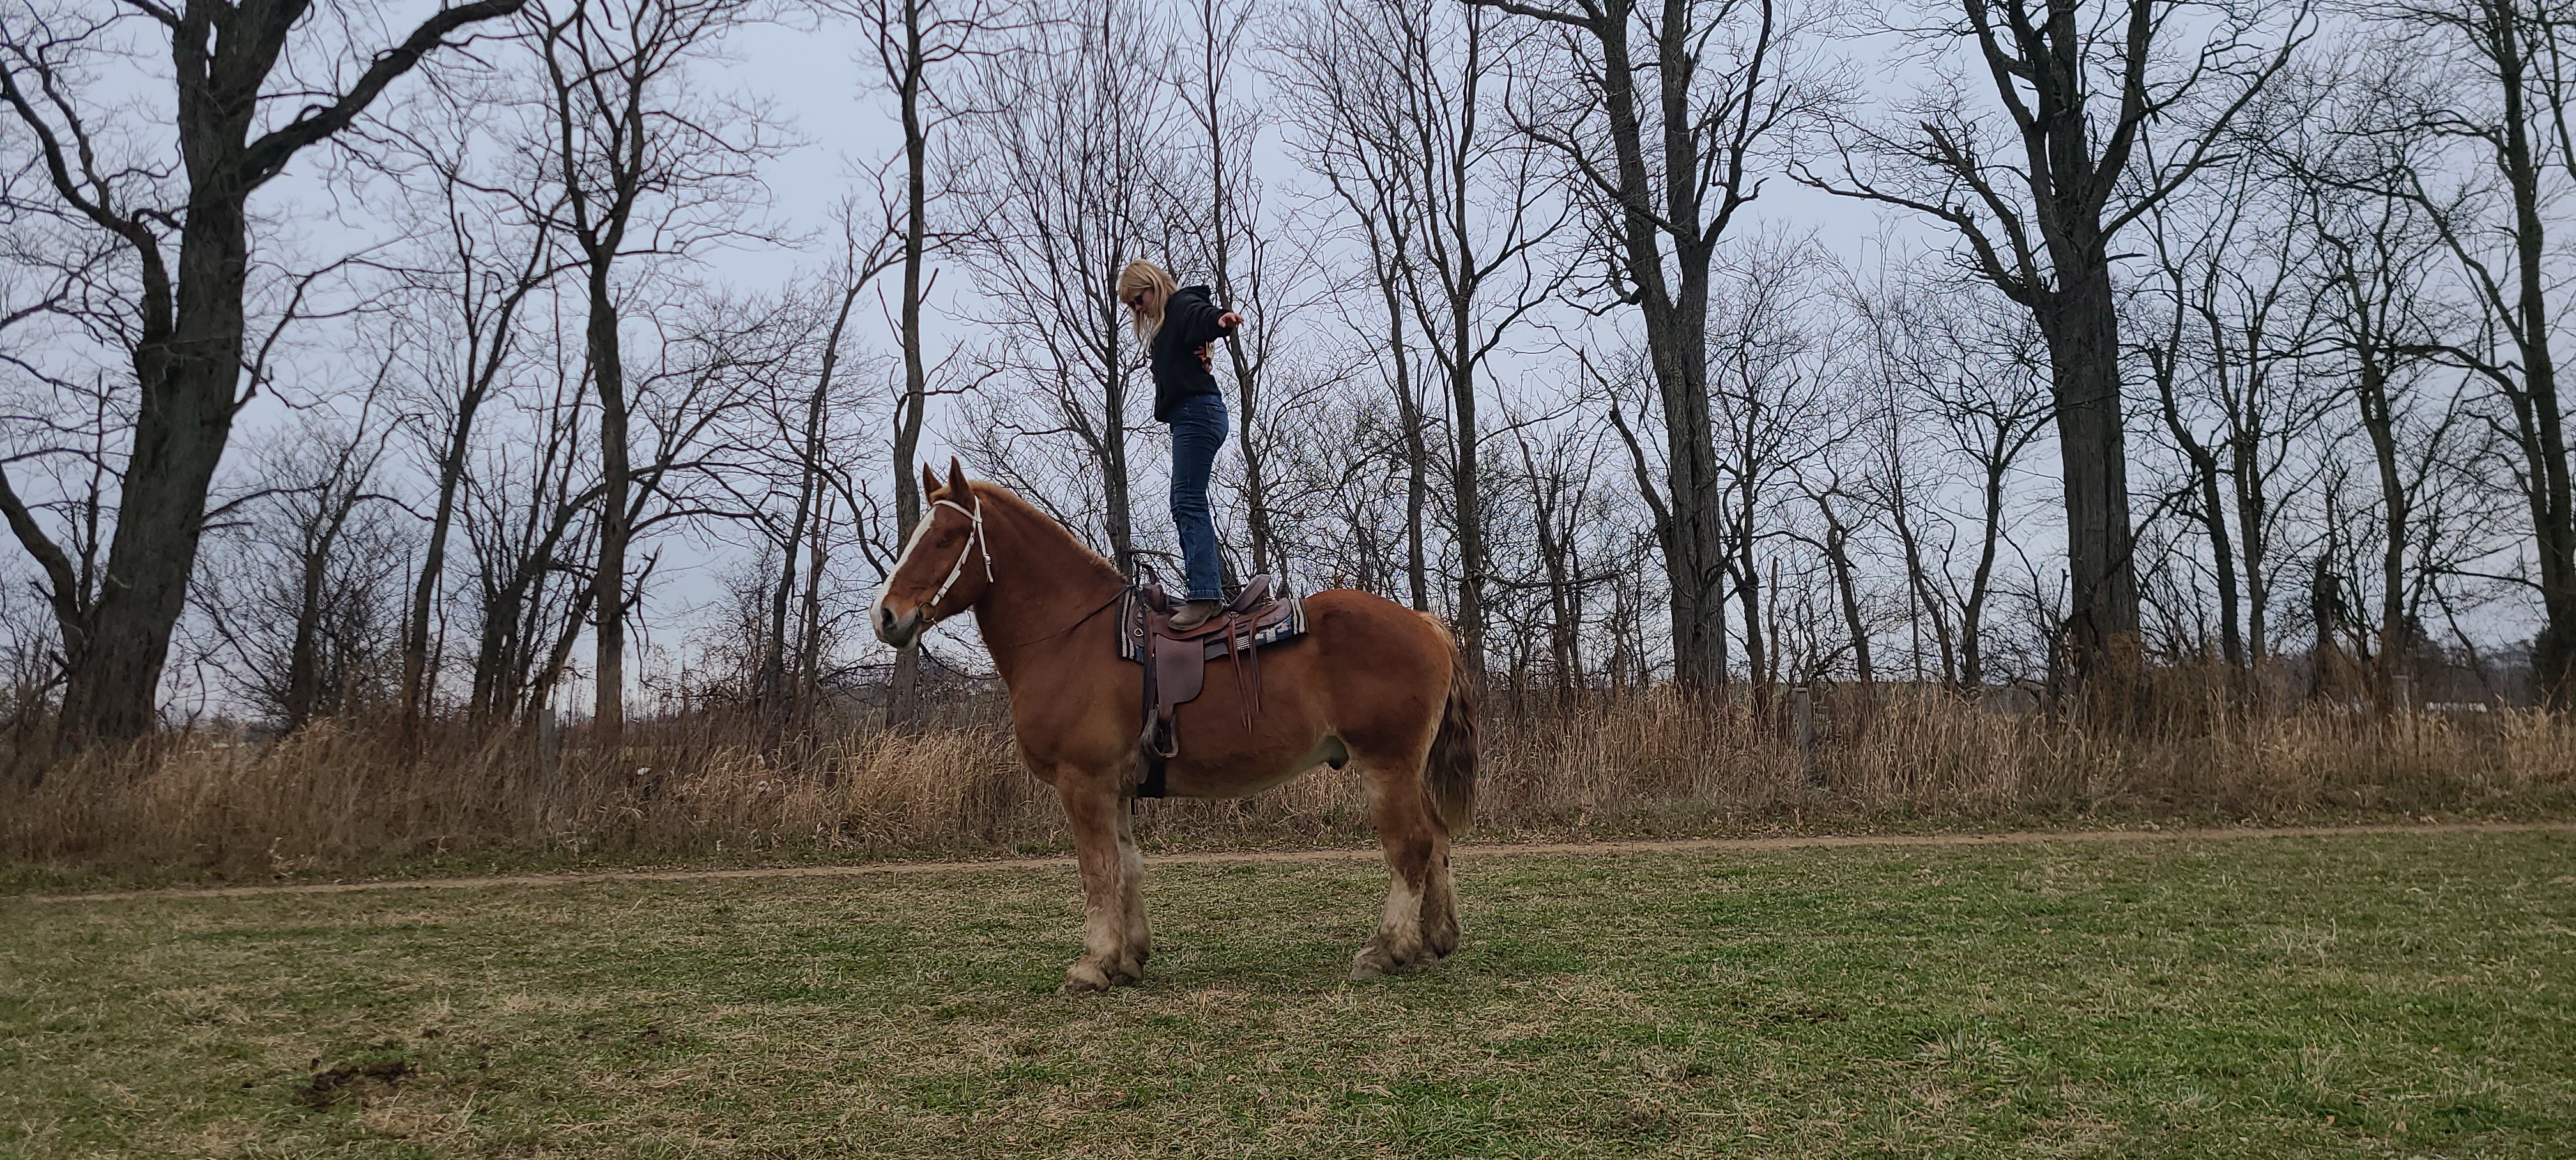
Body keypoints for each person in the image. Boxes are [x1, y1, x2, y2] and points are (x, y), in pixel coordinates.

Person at [1117, 259, 1242, 630]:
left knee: (1188, 500)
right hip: (1193, 416)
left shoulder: (1181, 307)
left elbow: (1200, 316)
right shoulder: (1165, 325)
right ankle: (1206, 588)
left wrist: (1219, 320)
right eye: (1133, 306)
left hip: (1197, 414)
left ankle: (1205, 595)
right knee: (1183, 500)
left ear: (1153, 285)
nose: (1138, 309)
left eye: (1139, 299)